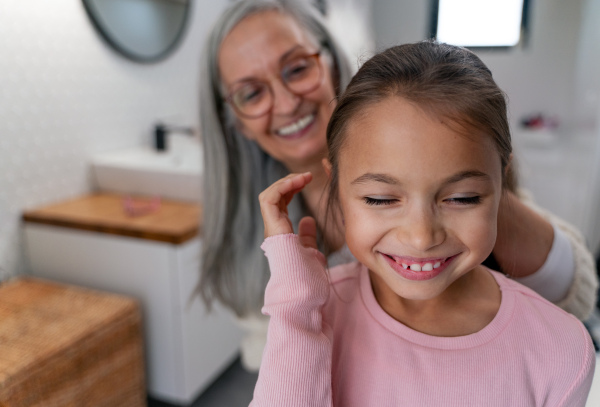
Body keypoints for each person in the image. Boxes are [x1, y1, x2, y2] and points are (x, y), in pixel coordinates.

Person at [198, 0, 598, 371]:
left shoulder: (457, 165)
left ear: (332, 63)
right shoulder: (251, 233)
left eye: (298, 68)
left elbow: (571, 292)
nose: (286, 103)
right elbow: (272, 358)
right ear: (232, 119)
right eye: (251, 93)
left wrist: (462, 182)